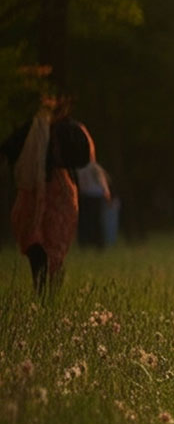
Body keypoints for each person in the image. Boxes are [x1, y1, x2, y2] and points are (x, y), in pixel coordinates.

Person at [1, 95, 95, 292]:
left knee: (40, 246)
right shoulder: (61, 129)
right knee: (49, 248)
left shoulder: (37, 130)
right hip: (54, 195)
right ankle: (47, 293)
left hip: (43, 194)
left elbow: (8, 151)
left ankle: (45, 294)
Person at [75, 160, 111, 248]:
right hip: (95, 195)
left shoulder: (80, 167)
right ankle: (97, 243)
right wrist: (106, 192)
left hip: (87, 195)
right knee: (96, 220)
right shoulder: (93, 167)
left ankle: (88, 243)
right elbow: (102, 181)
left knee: (87, 220)